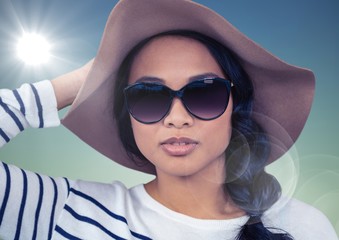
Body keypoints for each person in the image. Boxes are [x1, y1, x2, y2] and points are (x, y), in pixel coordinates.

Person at [0, 0, 337, 239]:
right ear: (128, 114)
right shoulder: (63, 210)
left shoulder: (305, 227)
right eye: (148, 96)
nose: (177, 119)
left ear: (237, 106)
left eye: (203, 93)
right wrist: (82, 80)